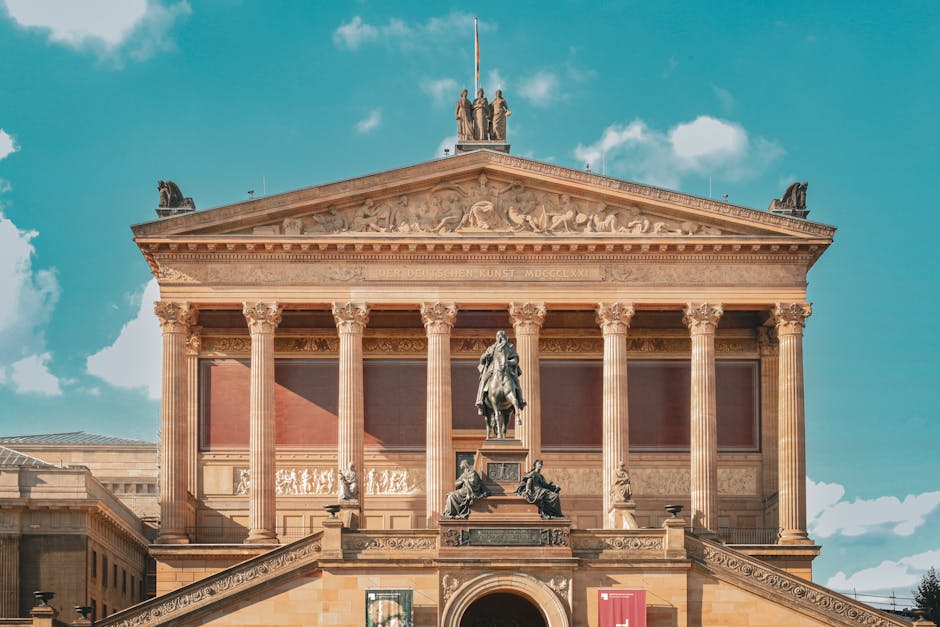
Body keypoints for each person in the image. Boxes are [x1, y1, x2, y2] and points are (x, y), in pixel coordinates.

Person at [474, 330, 526, 415]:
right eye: (498, 336)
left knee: (516, 382)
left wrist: (508, 362)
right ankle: (480, 401)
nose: (500, 337)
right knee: (483, 380)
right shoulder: (492, 348)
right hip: (492, 369)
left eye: (502, 336)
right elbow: (482, 360)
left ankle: (520, 400)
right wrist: (485, 356)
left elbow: (515, 360)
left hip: (507, 370)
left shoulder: (510, 347)